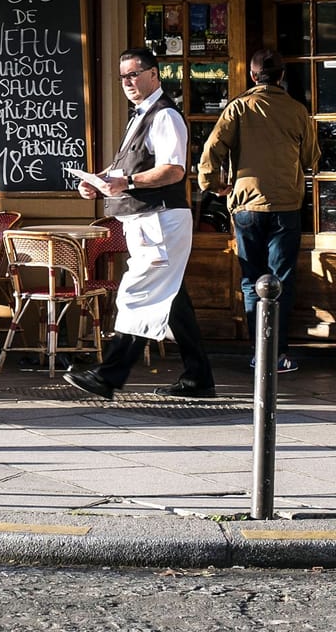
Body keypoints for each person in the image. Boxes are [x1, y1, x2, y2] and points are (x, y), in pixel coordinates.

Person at [64, 47, 217, 401]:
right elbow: (130, 168)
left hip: (160, 219)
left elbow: (174, 169)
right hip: (146, 220)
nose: (128, 82)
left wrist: (127, 184)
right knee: (172, 298)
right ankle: (199, 378)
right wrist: (100, 180)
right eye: (123, 77)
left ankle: (109, 375)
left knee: (139, 293)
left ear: (154, 74)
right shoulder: (140, 115)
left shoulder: (164, 116)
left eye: (134, 74)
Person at [195, 47, 319, 375]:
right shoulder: (297, 111)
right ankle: (277, 354)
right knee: (281, 280)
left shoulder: (237, 109)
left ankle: (257, 351)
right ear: (281, 76)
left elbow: (212, 149)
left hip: (246, 205)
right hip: (285, 205)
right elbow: (310, 158)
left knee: (252, 279)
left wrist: (211, 184)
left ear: (252, 76)